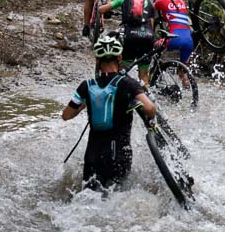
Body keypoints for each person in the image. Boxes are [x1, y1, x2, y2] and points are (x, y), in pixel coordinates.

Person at [61, 36, 156, 191]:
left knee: (87, 201)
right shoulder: (127, 83)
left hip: (92, 156)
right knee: (116, 201)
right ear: (119, 58)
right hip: (119, 156)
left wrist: (85, 105)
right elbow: (150, 108)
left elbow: (66, 115)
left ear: (97, 60)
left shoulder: (87, 86)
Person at [98, 0, 155, 86]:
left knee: (122, 70)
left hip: (130, 37)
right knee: (144, 75)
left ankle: (123, 95)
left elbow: (103, 9)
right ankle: (145, 97)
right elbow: (152, 25)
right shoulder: (151, 2)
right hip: (148, 38)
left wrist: (100, 8)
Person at [153, 0, 194, 73]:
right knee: (183, 72)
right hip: (189, 42)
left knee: (154, 46)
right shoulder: (181, 2)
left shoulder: (161, 2)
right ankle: (186, 83)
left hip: (174, 40)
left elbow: (151, 10)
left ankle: (156, 69)